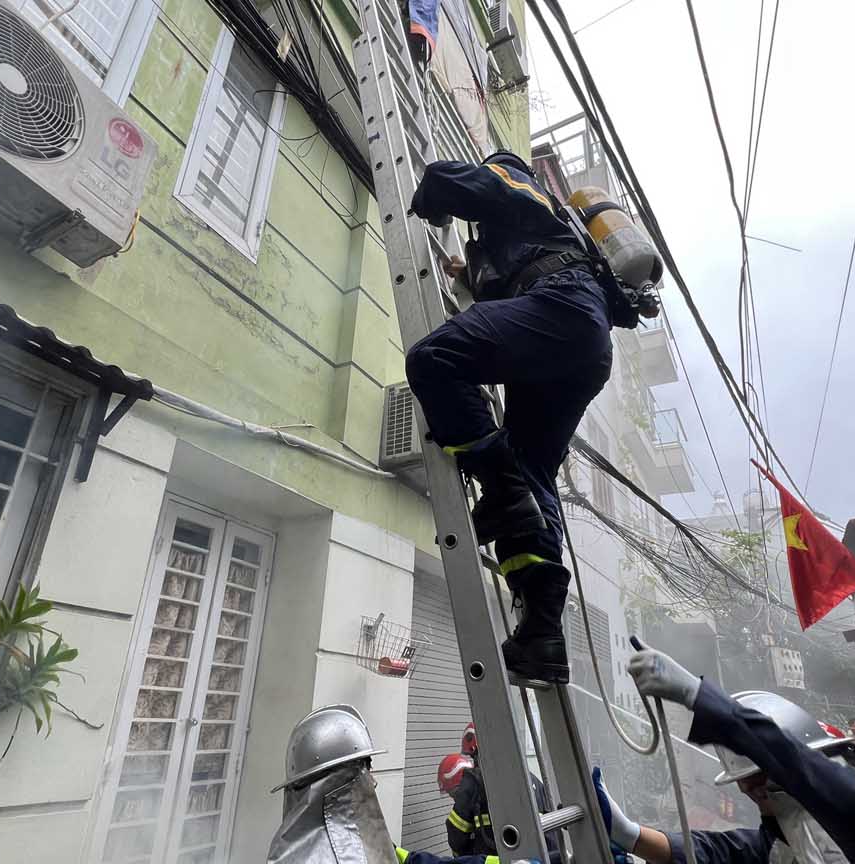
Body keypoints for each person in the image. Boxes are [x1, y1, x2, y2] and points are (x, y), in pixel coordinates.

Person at [406, 151, 635, 685]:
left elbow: (447, 177)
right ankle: (542, 636)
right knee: (535, 476)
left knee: (433, 359)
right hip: (580, 341)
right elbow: (509, 298)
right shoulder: (543, 238)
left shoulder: (524, 187)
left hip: (562, 309)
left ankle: (502, 493)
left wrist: (433, 201)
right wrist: (473, 274)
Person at [590, 642, 855, 863]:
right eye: (744, 784)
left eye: (759, 781)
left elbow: (832, 792)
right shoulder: (792, 840)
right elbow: (721, 853)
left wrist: (703, 699)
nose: (749, 793)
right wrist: (631, 834)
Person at [266, 703, 533, 864]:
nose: (373, 780)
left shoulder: (349, 842)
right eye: (365, 770)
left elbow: (414, 861)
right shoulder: (340, 854)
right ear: (341, 782)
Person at [445, 722, 557, 857]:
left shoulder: (475, 780)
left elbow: (456, 832)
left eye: (473, 756)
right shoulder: (532, 780)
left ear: (479, 753)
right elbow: (552, 833)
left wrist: (462, 858)